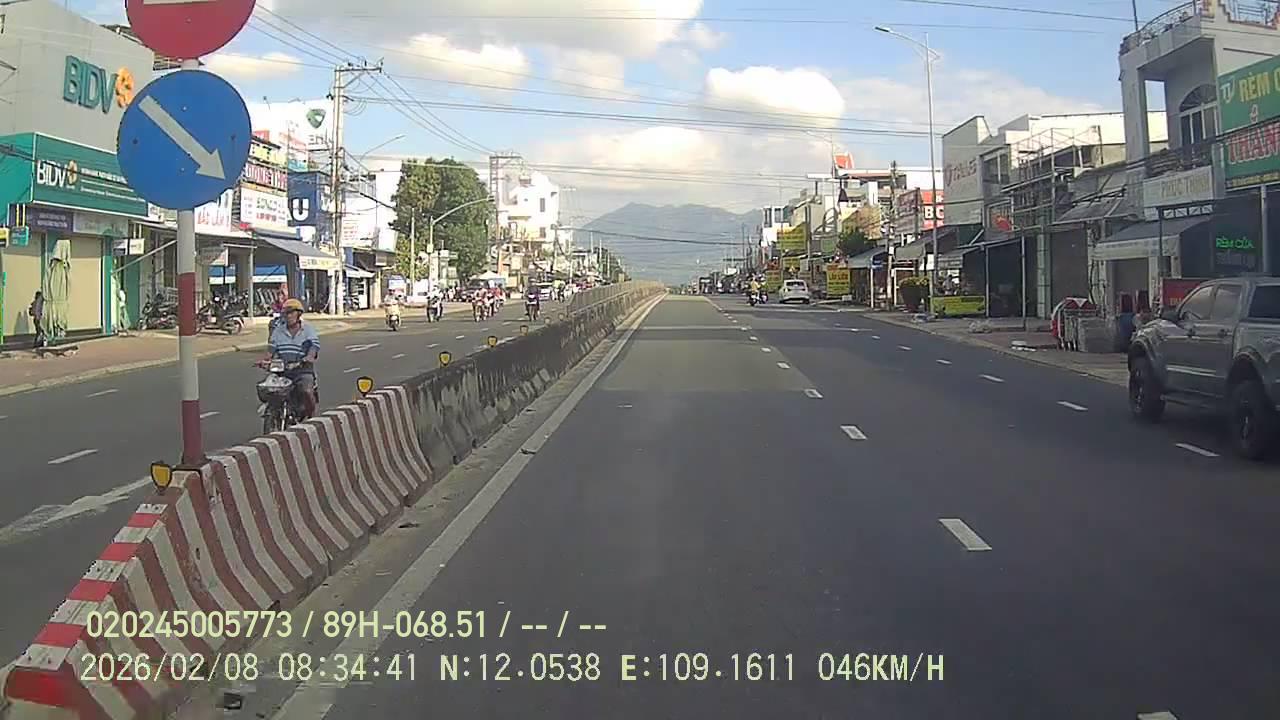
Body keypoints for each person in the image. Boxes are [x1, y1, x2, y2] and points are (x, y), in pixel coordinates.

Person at [259, 298, 319, 420]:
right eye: (286, 313)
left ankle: (311, 416)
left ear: (298, 314)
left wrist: (309, 357)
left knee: (306, 391)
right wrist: (265, 361)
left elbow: (314, 346)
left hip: (302, 369)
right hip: (283, 370)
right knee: (270, 390)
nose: (288, 316)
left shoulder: (307, 329)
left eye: (291, 313)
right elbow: (271, 350)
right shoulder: (278, 330)